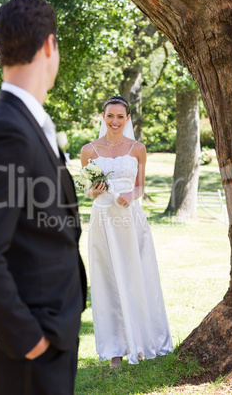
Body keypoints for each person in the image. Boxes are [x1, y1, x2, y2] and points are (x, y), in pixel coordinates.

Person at [0, 0, 86, 395]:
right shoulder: (7, 130)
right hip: (31, 346)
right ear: (49, 46)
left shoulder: (25, 120)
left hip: (52, 328)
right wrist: (29, 341)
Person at [81, 96, 173, 368]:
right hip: (103, 221)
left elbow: (141, 186)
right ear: (103, 116)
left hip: (131, 221)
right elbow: (87, 190)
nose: (115, 121)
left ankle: (142, 342)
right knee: (107, 281)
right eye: (110, 116)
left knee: (137, 277)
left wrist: (132, 194)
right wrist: (92, 192)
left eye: (121, 116)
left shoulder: (137, 148)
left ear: (128, 119)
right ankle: (114, 352)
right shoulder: (89, 150)